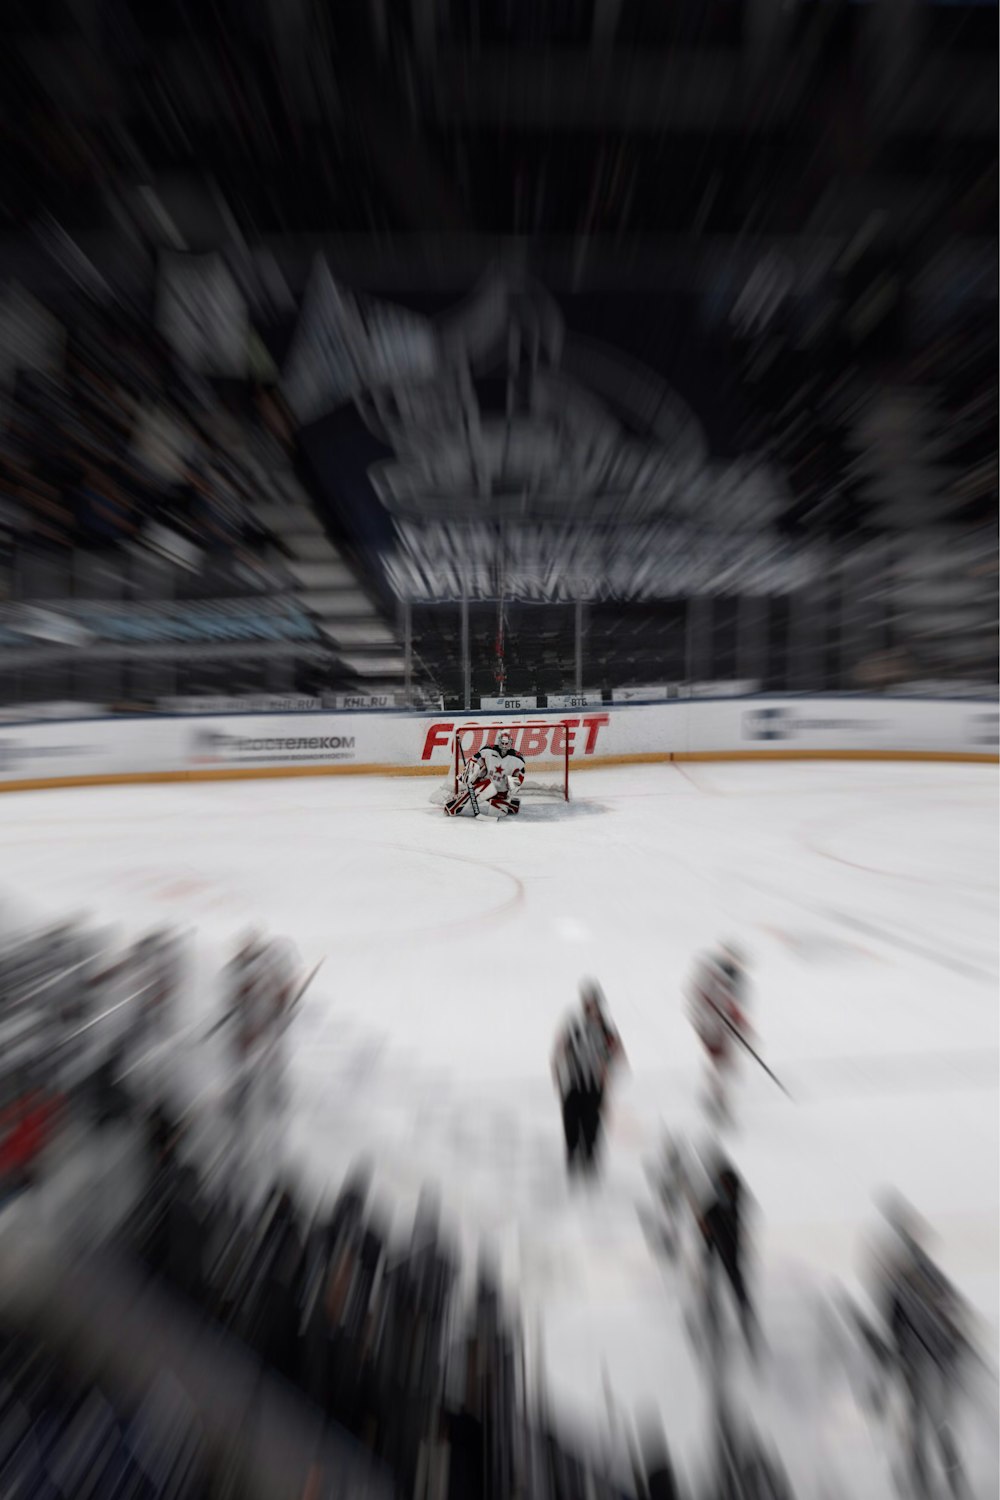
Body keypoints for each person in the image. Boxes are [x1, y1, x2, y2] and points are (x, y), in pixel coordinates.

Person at [551, 979, 626, 1176]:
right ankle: (574, 1159)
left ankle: (589, 1161)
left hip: (594, 1084)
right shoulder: (574, 1025)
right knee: (571, 1121)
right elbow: (560, 1049)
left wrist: (607, 1074)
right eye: (588, 1002)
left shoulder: (605, 1027)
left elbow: (617, 1054)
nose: (591, 1006)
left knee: (591, 1124)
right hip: (574, 1082)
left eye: (594, 1002)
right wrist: (558, 1075)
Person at [697, 1157, 758, 1361]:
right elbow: (706, 1220)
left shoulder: (731, 1203)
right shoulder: (718, 1202)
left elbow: (719, 1220)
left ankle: (742, 1316)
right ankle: (714, 1311)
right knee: (717, 1280)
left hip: (729, 1247)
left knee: (734, 1282)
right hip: (718, 1244)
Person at [686, 943, 750, 1125]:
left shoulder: (735, 978)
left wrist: (739, 1022)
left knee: (723, 1065)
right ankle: (717, 1100)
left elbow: (734, 1006)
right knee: (721, 1064)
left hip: (720, 1028)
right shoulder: (712, 977)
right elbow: (701, 1000)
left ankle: (717, 1097)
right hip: (712, 1027)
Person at [445, 729, 526, 817]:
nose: (504, 746)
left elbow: (518, 778)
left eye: (506, 743)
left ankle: (511, 804)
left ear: (511, 743)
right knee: (485, 787)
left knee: (496, 814)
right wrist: (468, 774)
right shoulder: (488, 751)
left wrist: (513, 787)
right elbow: (476, 760)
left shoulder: (518, 760)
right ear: (498, 742)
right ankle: (453, 807)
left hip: (501, 793)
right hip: (485, 784)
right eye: (502, 743)